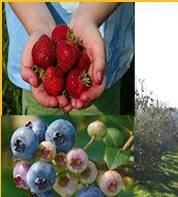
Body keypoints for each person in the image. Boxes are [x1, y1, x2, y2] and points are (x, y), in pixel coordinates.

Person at [5, 2, 134, 115]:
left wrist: (90, 16)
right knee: (40, 121)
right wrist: (37, 24)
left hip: (104, 28)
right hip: (28, 17)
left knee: (100, 116)